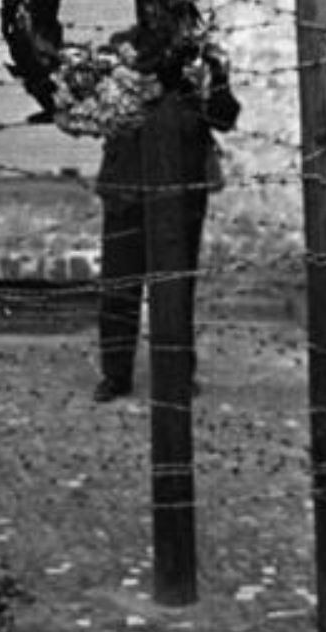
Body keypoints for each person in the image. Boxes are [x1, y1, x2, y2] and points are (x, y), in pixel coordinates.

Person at [92, 44, 240, 403]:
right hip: (127, 185)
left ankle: (176, 372)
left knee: (176, 286)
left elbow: (224, 117)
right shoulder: (121, 53)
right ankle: (116, 374)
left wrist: (216, 77)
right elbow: (97, 112)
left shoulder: (199, 59)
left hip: (183, 189)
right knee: (119, 285)